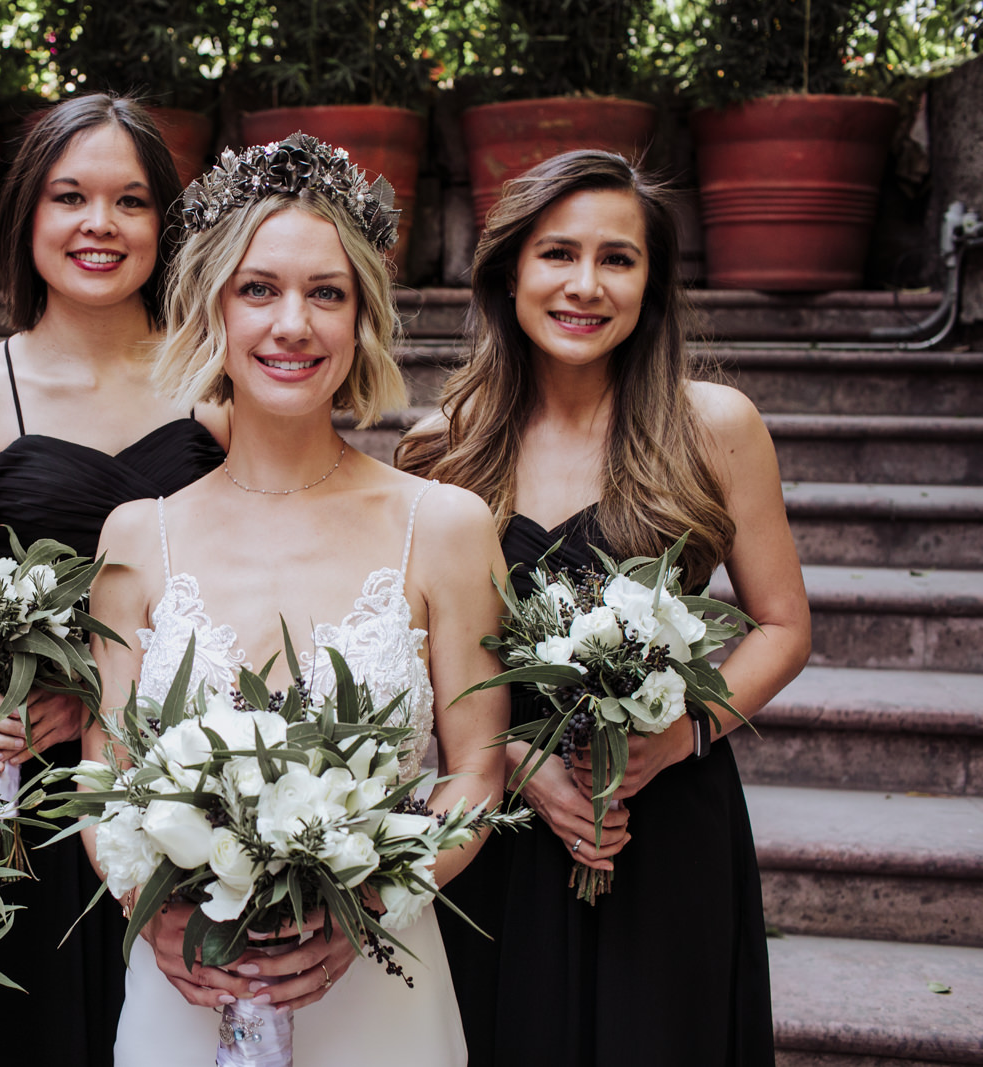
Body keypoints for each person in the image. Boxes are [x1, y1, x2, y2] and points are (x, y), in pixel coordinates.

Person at [87, 133, 510, 1066]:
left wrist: (366, 902)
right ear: (213, 310)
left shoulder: (443, 526)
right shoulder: (135, 536)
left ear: (361, 318)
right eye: (258, 289)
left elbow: (477, 772)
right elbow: (104, 776)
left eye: (327, 293)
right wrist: (147, 915)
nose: (293, 324)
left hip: (381, 990)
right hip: (185, 991)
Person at [396, 149, 811, 1067]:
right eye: (558, 254)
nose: (586, 285)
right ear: (510, 272)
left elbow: (783, 625)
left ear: (651, 281)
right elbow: (416, 665)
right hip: (497, 828)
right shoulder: (440, 448)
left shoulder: (716, 426)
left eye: (618, 259)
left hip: (665, 817)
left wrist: (678, 739)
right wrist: (514, 759)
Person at [0, 94, 228, 1067]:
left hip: (189, 790)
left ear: (163, 224)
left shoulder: (221, 389)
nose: (100, 224)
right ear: (27, 215)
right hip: (25, 808)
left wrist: (97, 692)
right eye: (70, 196)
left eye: (130, 200)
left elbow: (263, 590)